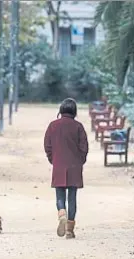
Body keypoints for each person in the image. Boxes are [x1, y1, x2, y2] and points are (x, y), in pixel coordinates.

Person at [43, 98, 89, 239]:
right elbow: (84, 147)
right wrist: (80, 160)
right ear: (74, 111)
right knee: (73, 198)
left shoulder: (53, 126)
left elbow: (47, 146)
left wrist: (53, 160)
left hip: (59, 165)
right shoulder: (78, 126)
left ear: (61, 110)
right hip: (74, 166)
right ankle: (69, 230)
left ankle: (61, 213)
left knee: (60, 196)